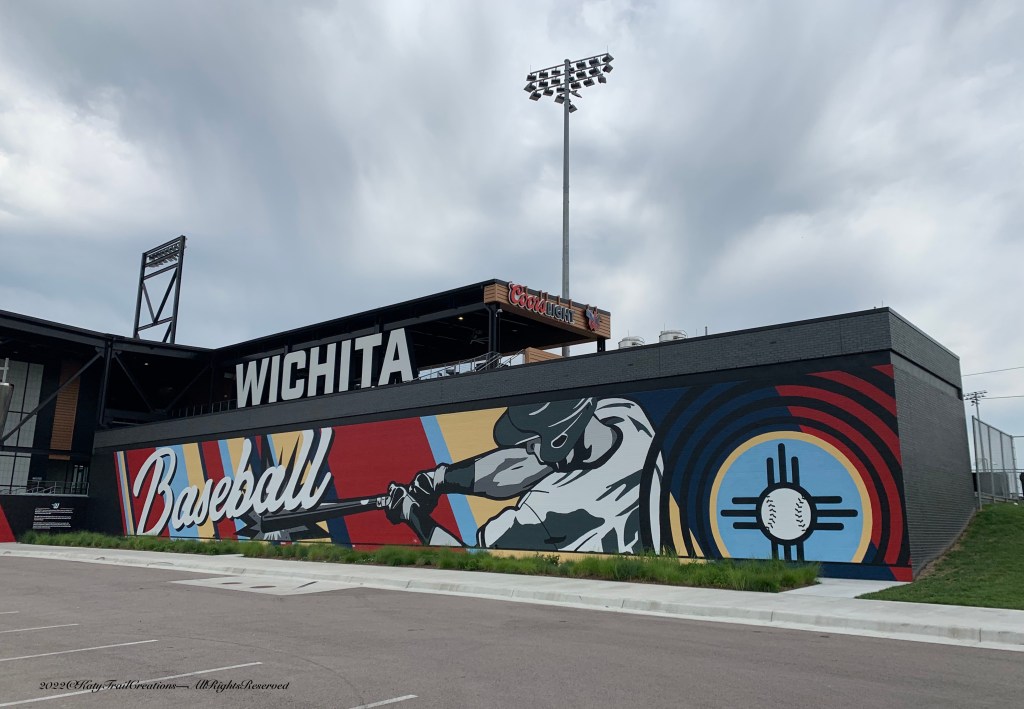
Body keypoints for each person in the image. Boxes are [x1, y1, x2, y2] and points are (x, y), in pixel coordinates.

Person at [385, 397, 663, 553]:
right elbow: (519, 467)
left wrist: (412, 514)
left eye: (532, 442)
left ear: (560, 440)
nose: (528, 449)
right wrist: (442, 478)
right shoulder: (624, 415)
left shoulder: (545, 511)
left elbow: (466, 556)